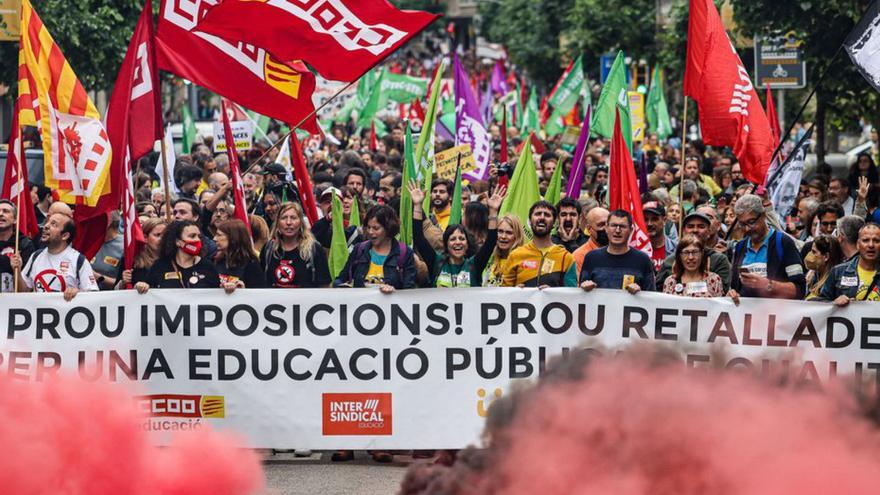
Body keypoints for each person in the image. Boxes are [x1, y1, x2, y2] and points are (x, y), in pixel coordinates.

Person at [410, 182, 505, 287]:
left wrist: (493, 211)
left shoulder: (474, 265)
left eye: (462, 238)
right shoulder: (436, 262)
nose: (458, 242)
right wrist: (417, 205)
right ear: (446, 244)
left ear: (467, 244)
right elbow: (418, 237)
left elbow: (491, 241)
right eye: (453, 239)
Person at [728, 195, 806, 304]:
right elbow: (735, 287)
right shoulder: (740, 247)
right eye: (742, 224)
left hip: (776, 316)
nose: (747, 229)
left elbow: (800, 290)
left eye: (751, 222)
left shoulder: (783, 242)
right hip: (746, 316)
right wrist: (733, 294)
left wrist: (767, 285)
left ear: (763, 215)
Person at [11, 213, 99, 301]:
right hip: (38, 313)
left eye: (53, 224)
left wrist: (77, 292)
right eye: (47, 222)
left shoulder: (78, 260)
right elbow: (22, 291)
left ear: (65, 236)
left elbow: (93, 295)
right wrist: (17, 270)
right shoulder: (36, 256)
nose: (45, 226)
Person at [333, 205, 416, 293]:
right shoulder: (359, 249)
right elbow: (340, 279)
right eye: (368, 227)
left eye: (376, 228)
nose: (370, 232)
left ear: (388, 228)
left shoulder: (405, 253)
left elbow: (409, 292)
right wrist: (342, 286)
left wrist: (394, 292)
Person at [578, 210, 656, 293]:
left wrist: (640, 292)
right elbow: (581, 294)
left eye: (622, 226)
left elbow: (651, 296)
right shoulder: (591, 258)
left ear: (631, 230)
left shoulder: (642, 260)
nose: (618, 230)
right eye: (613, 225)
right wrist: (585, 287)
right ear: (606, 228)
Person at [501, 201, 574, 288]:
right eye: (538, 214)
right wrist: (514, 291)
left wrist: (553, 293)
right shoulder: (515, 255)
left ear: (554, 223)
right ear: (529, 221)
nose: (542, 217)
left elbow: (572, 293)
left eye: (547, 215)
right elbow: (504, 291)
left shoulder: (566, 257)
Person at [656, 211, 731, 292]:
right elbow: (658, 292)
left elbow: (722, 293)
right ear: (683, 231)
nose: (695, 230)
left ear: (709, 231)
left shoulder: (719, 260)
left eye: (701, 226)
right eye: (690, 226)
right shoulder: (670, 261)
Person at [260, 202, 330, 288]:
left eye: (293, 218)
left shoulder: (315, 249)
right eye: (284, 218)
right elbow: (259, 281)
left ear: (301, 222)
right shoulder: (268, 249)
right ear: (277, 222)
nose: (288, 222)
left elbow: (324, 286)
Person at [137, 220, 221, 292]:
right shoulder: (160, 266)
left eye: (199, 236)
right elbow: (147, 291)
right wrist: (141, 286)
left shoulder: (208, 267)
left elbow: (218, 296)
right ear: (178, 242)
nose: (197, 240)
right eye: (192, 236)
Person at [819, 223, 880, 305]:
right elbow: (820, 303)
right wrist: (833, 303)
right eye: (865, 240)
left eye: (876, 241)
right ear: (858, 245)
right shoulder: (838, 272)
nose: (871, 245)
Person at [214, 219, 266, 291]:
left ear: (233, 237)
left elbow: (260, 293)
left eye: (219, 235)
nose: (214, 239)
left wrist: (243, 290)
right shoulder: (216, 260)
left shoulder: (251, 264)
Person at [117, 217, 167, 289]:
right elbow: (115, 291)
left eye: (165, 235)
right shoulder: (131, 260)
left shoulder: (172, 258)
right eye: (158, 235)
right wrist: (123, 282)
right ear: (145, 238)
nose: (162, 239)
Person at [0, 200, 35, 293]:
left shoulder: (24, 244)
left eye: (5, 211)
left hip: (13, 301)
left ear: (15, 219)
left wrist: (17, 269)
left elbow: (27, 287)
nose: (0, 214)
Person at [483, 214, 525, 287]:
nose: (503, 236)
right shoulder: (489, 257)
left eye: (509, 233)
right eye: (500, 231)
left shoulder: (524, 263)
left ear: (517, 236)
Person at [570, 207, 610, 278]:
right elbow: (577, 287)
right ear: (589, 229)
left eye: (608, 224)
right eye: (601, 225)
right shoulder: (579, 256)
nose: (606, 229)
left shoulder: (620, 251)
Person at [90, 211, 124, 290]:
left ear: (107, 224)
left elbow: (124, 283)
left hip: (110, 298)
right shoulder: (88, 241)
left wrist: (97, 277)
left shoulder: (124, 246)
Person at [804, 235, 843, 300]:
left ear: (826, 257)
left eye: (814, 252)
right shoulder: (812, 278)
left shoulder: (835, 284)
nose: (809, 255)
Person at [643, 201, 677, 272]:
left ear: (664, 220)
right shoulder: (636, 249)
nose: (649, 224)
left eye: (654, 219)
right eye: (645, 219)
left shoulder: (676, 250)